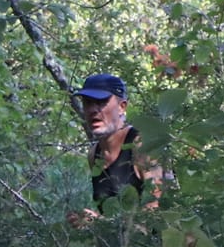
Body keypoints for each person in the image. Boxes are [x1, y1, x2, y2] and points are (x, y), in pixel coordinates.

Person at [69, 72, 162, 224]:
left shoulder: (143, 144)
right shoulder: (94, 155)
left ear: (121, 107)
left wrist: (100, 223)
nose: (93, 110)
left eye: (100, 102)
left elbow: (156, 211)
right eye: (87, 102)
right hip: (115, 246)